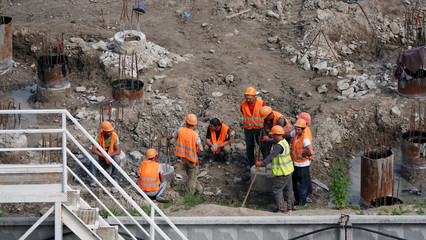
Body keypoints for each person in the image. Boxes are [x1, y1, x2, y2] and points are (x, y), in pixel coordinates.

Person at [255, 126, 294, 212]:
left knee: (277, 190)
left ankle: (282, 209)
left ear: (276, 135)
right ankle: (290, 207)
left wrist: (262, 163)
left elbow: (271, 156)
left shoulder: (278, 147)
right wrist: (267, 140)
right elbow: (274, 141)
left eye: (273, 135)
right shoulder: (284, 142)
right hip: (288, 170)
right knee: (288, 190)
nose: (272, 137)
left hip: (282, 172)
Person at [167, 114, 204, 194]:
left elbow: (169, 137)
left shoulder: (180, 130)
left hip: (184, 158)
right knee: (192, 177)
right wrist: (197, 153)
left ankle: (197, 191)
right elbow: (201, 148)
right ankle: (193, 194)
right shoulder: (195, 135)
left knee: (191, 176)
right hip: (192, 160)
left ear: (186, 122)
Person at [284, 119, 313, 208]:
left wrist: (304, 154)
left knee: (301, 184)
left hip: (302, 165)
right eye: (296, 129)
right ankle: (298, 200)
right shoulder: (296, 134)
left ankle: (303, 203)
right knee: (296, 183)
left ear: (303, 129)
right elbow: (289, 134)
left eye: (298, 129)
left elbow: (310, 152)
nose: (296, 131)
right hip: (296, 163)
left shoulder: (305, 139)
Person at [89, 121, 121, 186]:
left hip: (110, 155)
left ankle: (113, 177)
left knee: (117, 159)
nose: (110, 133)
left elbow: (118, 151)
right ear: (103, 132)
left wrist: (108, 155)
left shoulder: (115, 136)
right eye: (108, 132)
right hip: (101, 155)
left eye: (111, 131)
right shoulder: (98, 136)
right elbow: (93, 150)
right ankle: (93, 179)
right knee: (93, 157)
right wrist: (103, 155)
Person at [240, 87, 266, 167]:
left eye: (249, 98)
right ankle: (251, 163)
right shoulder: (243, 103)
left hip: (259, 128)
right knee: (250, 146)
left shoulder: (261, 103)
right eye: (246, 98)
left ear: (254, 97)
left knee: (262, 145)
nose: (247, 100)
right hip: (248, 129)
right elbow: (242, 112)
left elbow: (265, 113)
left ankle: (266, 161)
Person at [296, 112, 313, 203]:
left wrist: (304, 155)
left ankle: (306, 196)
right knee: (306, 177)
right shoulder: (305, 129)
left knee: (303, 180)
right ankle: (308, 194)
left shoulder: (304, 134)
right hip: (303, 160)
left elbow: (310, 151)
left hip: (303, 160)